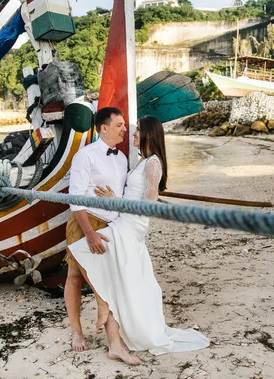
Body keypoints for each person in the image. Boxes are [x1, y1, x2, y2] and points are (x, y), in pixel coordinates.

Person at [69, 116, 209, 365]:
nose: (131, 133)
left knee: (88, 251)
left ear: (148, 135)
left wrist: (116, 203)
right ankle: (108, 313)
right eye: (126, 128)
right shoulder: (138, 161)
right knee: (111, 268)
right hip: (123, 220)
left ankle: (104, 305)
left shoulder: (152, 163)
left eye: (136, 131)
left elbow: (149, 203)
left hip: (132, 224)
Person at [64, 107, 128, 352]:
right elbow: (76, 198)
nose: (124, 129)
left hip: (110, 225)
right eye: (119, 124)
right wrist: (89, 233)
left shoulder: (121, 158)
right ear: (104, 128)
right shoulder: (86, 156)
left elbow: (120, 196)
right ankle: (77, 332)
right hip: (85, 221)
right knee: (74, 276)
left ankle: (108, 320)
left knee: (105, 275)